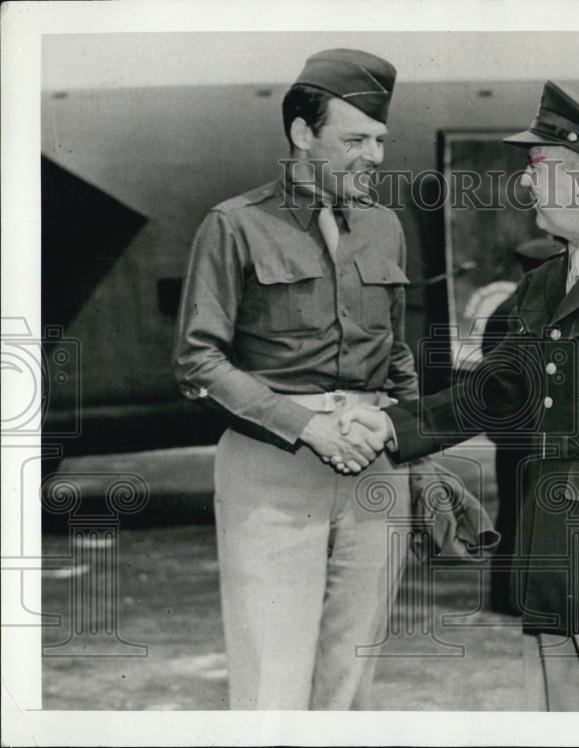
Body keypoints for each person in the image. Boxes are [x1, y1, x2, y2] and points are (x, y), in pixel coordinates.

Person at [339, 80, 579, 712]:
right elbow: (500, 391)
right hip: (557, 560)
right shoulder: (545, 284)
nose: (525, 183)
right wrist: (392, 426)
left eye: (539, 166)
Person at [173, 49, 418, 709]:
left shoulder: (385, 226)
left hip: (374, 464)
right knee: (273, 678)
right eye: (355, 140)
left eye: (380, 141)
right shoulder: (235, 225)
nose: (373, 156)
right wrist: (308, 426)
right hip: (274, 465)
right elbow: (198, 360)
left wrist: (416, 451)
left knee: (352, 675)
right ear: (303, 134)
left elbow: (396, 353)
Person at [482, 237, 564, 615]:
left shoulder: (505, 309)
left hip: (511, 433)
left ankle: (504, 595)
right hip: (532, 430)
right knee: (530, 512)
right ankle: (521, 595)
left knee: (512, 511)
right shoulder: (535, 310)